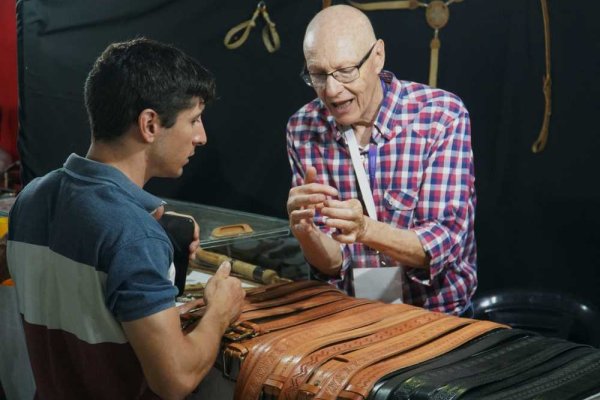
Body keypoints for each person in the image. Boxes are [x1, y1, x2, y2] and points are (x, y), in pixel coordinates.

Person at [7, 38, 246, 399]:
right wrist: (220, 312)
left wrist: (146, 229)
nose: (201, 137)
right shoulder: (134, 235)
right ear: (150, 124)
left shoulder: (31, 197)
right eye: (194, 120)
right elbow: (175, 379)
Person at [286, 5, 476, 316]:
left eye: (346, 71)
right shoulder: (303, 127)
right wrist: (307, 233)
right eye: (318, 74)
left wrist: (364, 230)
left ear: (377, 57)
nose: (332, 91)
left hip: (438, 318)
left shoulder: (440, 117)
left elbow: (443, 243)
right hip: (355, 316)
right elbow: (333, 263)